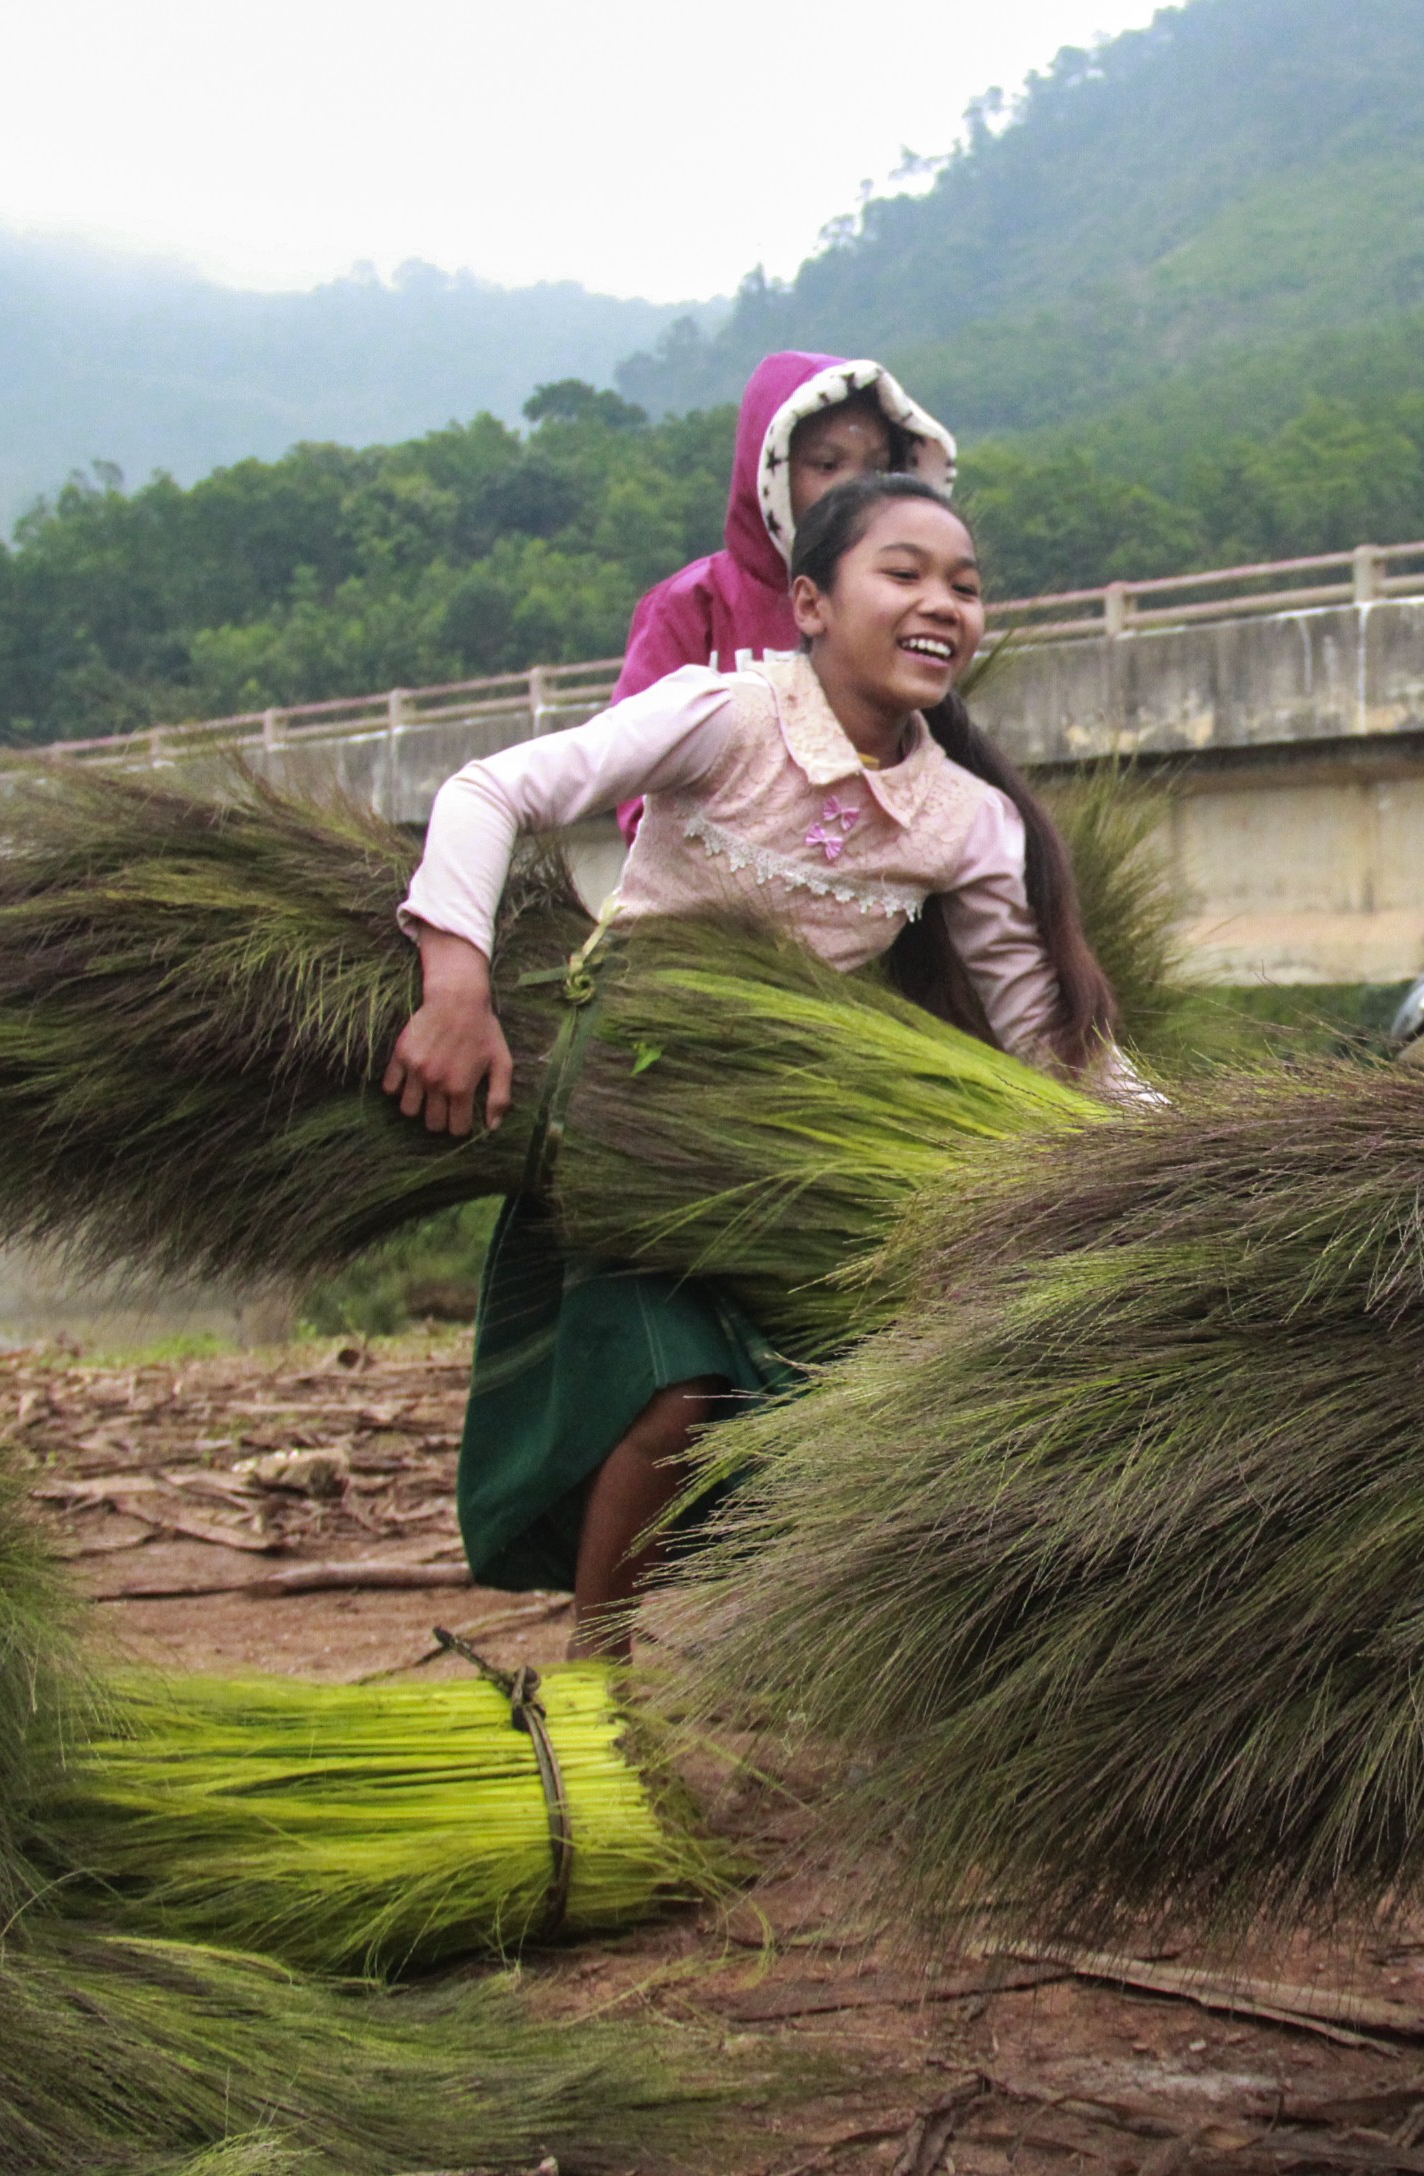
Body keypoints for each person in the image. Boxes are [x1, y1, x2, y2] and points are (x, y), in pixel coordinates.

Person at [385, 473, 1121, 1655]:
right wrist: (455, 983)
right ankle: (600, 1672)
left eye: (966, 587)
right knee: (675, 1387)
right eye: (906, 573)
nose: (943, 602)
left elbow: (1048, 1047)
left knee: (840, 1410)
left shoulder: (965, 820)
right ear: (811, 604)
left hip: (782, 1164)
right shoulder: (725, 716)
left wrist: (1192, 1150)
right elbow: (493, 789)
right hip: (630, 1119)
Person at [609, 351, 957, 840]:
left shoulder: (902, 612)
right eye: (827, 464)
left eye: (877, 470)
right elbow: (634, 779)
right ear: (769, 469)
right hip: (711, 896)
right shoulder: (688, 607)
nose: (855, 490)